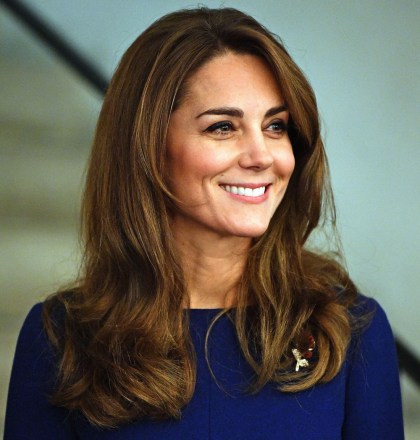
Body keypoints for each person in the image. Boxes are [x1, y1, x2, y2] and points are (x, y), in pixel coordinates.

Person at [5, 7, 404, 439]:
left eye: (275, 126)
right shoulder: (61, 339)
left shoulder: (349, 330)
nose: (261, 155)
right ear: (148, 147)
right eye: (222, 127)